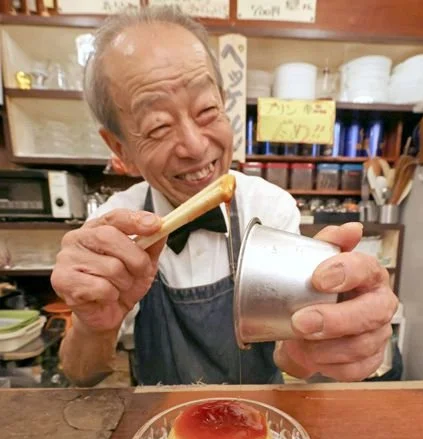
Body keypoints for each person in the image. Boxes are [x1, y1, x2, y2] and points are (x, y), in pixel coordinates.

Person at [51, 5, 398, 387]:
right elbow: (81, 376)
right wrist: (95, 325)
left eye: (206, 111)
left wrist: (321, 341)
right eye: (159, 126)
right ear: (120, 148)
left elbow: (292, 357)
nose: (196, 146)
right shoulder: (114, 230)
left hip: (258, 424)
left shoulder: (270, 208)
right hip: (163, 427)